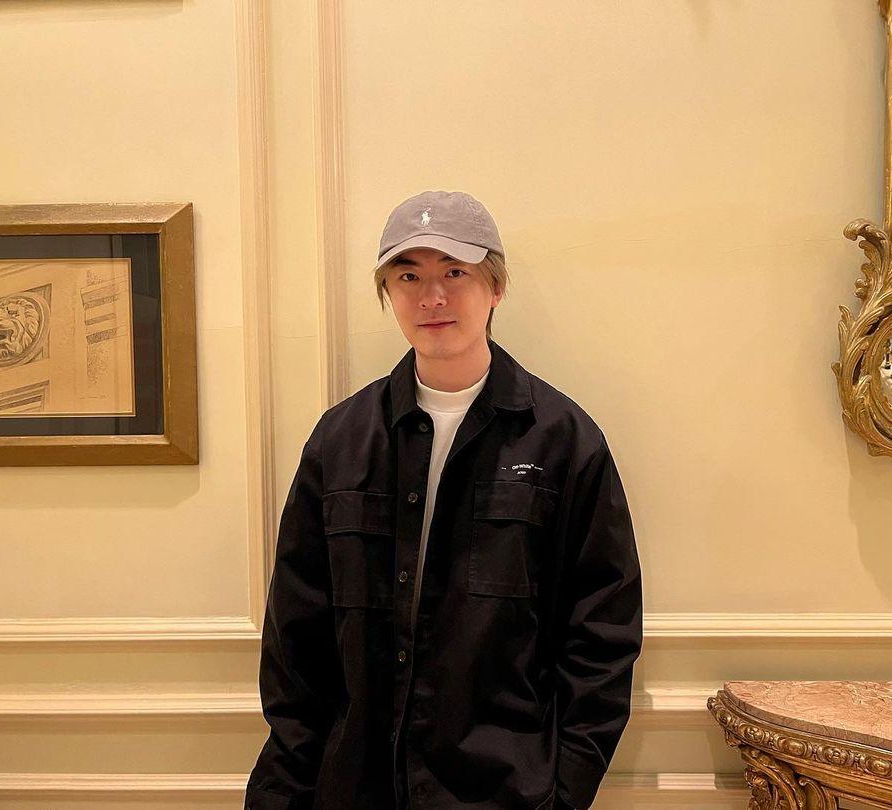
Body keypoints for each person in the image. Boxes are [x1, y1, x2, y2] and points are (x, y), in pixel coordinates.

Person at [245, 190, 643, 810]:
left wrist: (562, 791)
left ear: (496, 287)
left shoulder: (565, 442)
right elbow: (296, 635)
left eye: (455, 273)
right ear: (388, 292)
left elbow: (602, 635)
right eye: (409, 276)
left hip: (503, 793)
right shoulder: (340, 439)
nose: (432, 297)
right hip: (354, 788)